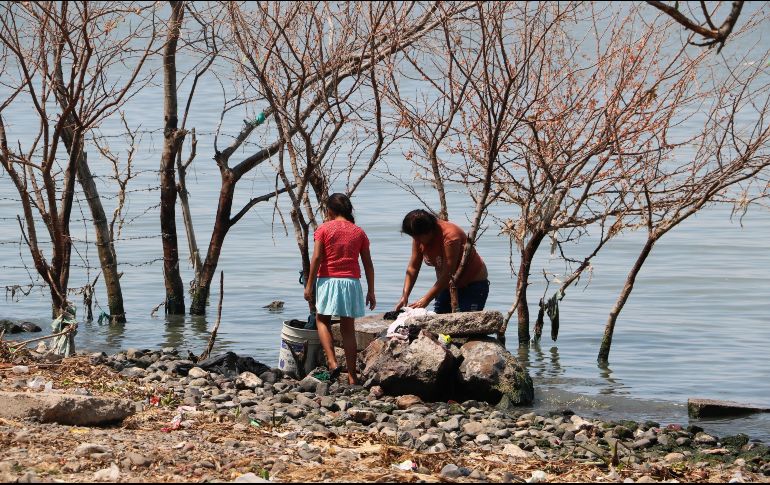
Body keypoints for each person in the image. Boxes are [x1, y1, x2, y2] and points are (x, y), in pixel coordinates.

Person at [305, 193, 375, 385]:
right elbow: (368, 264)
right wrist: (371, 290)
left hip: (328, 280)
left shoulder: (324, 229)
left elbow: (317, 257)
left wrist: (309, 285)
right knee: (348, 329)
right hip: (351, 282)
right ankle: (352, 377)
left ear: (330, 210)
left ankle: (332, 361)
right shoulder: (358, 232)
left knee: (322, 319)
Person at [396, 209, 489, 313]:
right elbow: (413, 267)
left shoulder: (450, 236)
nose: (416, 241)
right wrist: (405, 295)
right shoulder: (418, 235)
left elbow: (448, 273)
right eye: (414, 237)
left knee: (466, 325)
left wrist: (426, 299)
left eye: (418, 237)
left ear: (429, 231)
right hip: (445, 286)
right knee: (439, 322)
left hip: (472, 285)